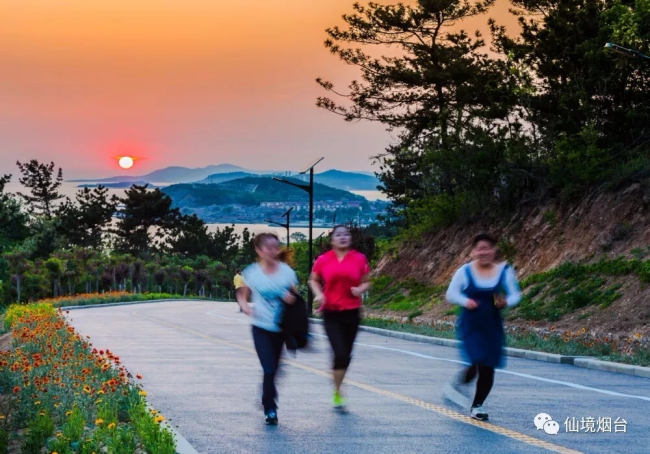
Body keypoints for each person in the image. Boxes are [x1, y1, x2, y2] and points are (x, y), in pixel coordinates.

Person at [444, 233, 521, 421]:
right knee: (476, 359)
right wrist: (465, 300)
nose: (483, 252)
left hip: (492, 326)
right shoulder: (465, 271)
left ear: (494, 251)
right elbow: (451, 294)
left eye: (487, 248)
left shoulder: (504, 271)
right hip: (471, 325)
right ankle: (459, 383)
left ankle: (477, 406)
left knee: (488, 366)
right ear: (473, 252)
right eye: (479, 248)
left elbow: (515, 295)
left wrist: (506, 302)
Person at [236, 233, 298, 425]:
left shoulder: (287, 272)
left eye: (275, 247)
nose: (273, 251)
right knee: (269, 367)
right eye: (268, 248)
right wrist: (245, 306)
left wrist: (291, 298)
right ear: (258, 250)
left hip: (281, 328)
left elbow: (296, 297)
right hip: (261, 328)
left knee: (275, 369)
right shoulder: (252, 272)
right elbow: (242, 294)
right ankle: (270, 408)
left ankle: (267, 396)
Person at [309, 225, 371, 409]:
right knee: (339, 352)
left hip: (352, 312)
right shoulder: (323, 260)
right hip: (331, 312)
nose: (343, 237)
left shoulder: (359, 259)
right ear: (332, 239)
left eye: (346, 234)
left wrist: (360, 289)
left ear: (350, 238)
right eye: (338, 234)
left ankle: (337, 387)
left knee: (346, 355)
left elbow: (367, 282)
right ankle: (338, 391)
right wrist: (318, 294)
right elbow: (313, 279)